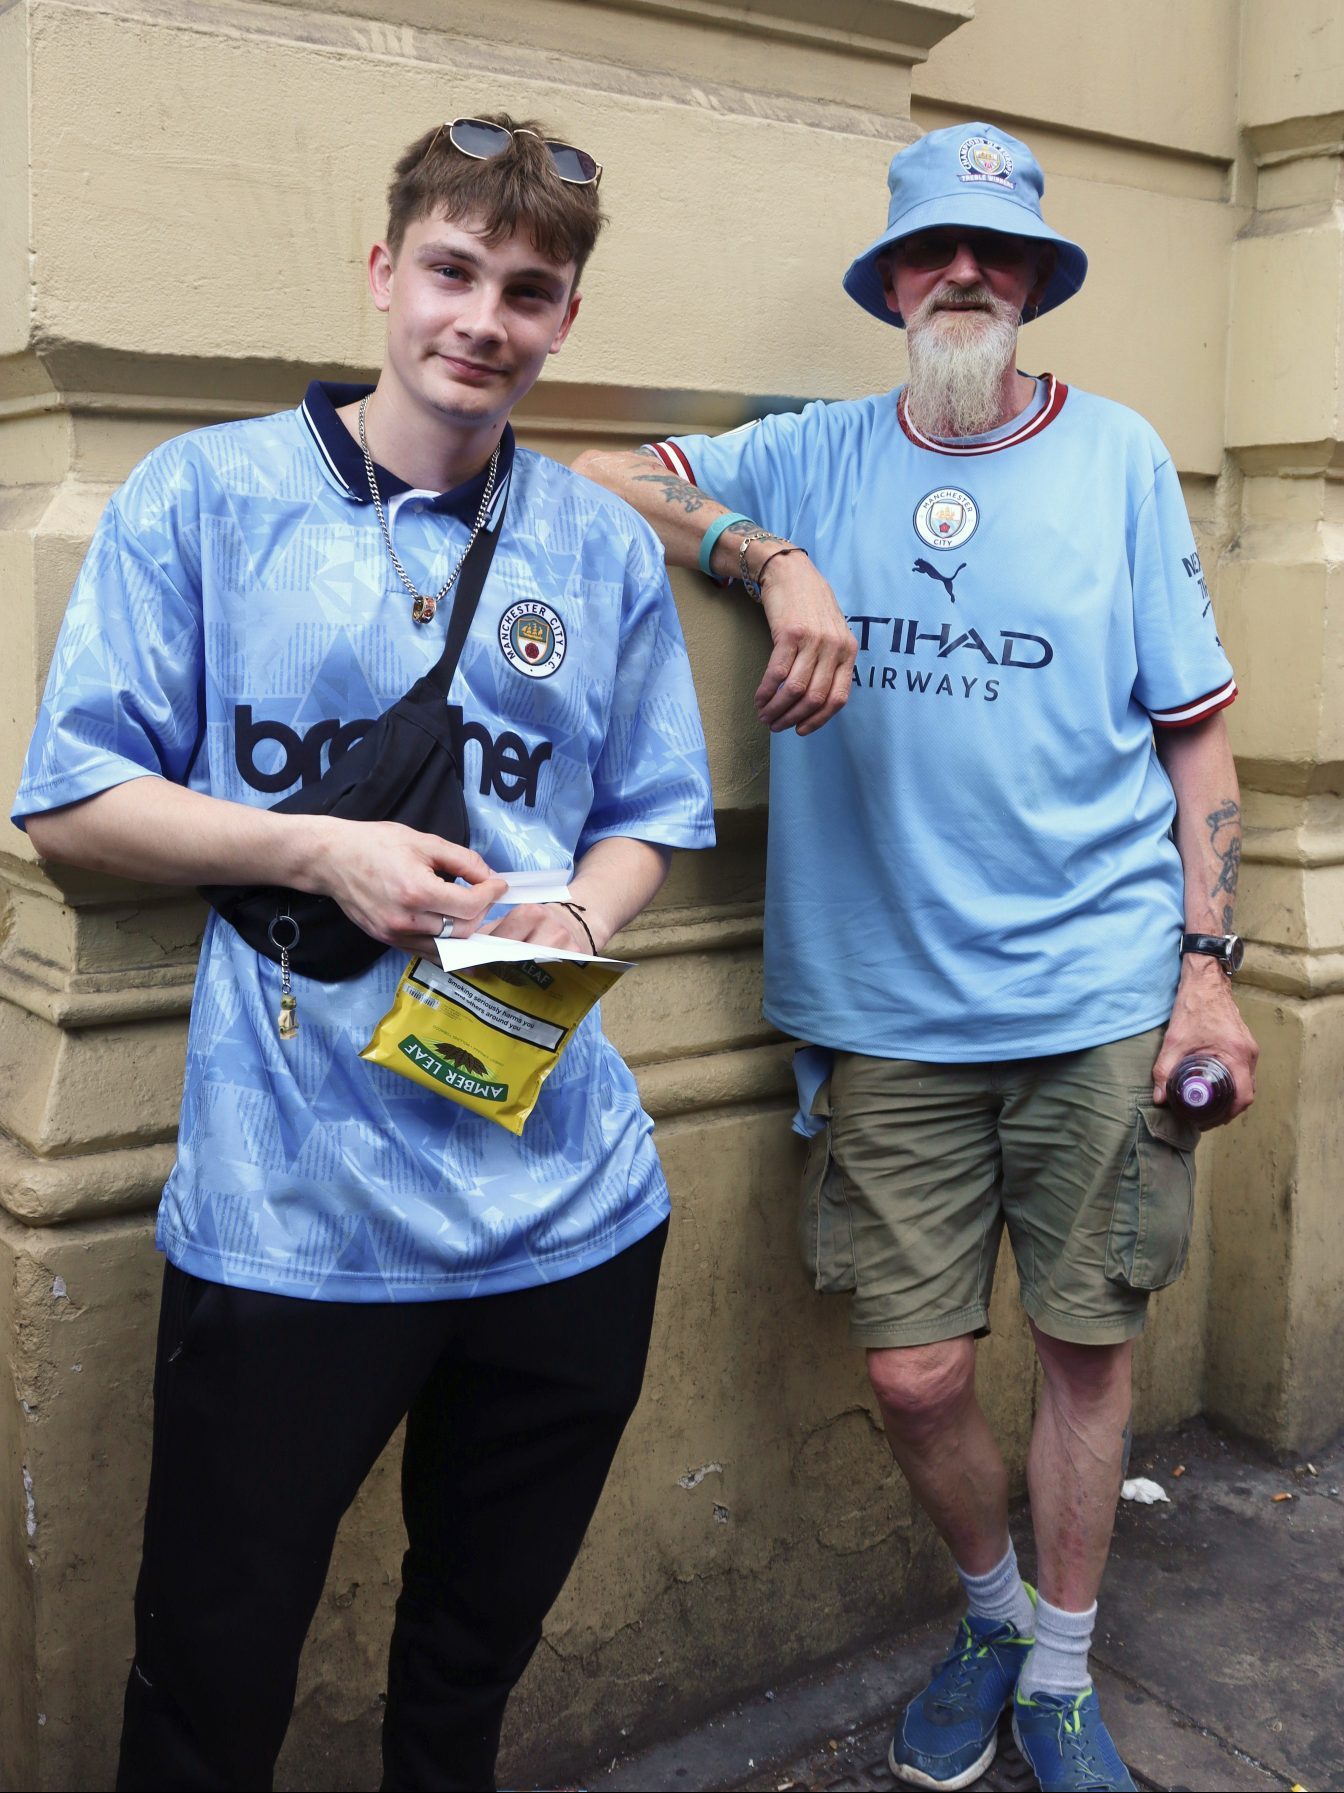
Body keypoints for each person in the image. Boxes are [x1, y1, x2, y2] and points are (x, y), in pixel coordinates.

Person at [12, 114, 715, 1792]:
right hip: (289, 1225)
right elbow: (70, 802)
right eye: (455, 272)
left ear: (561, 322)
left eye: (528, 291)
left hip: (565, 1212)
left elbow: (655, 810)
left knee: (464, 1681)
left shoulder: (600, 544)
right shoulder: (207, 496)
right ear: (383, 272)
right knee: (208, 1681)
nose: (484, 317)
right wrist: (314, 846)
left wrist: (580, 912)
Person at [575, 120, 1257, 1793]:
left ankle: (1066, 1674)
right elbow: (592, 475)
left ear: (1031, 281)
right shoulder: (809, 455)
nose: (963, 273)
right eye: (932, 249)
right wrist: (766, 550)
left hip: (1100, 989)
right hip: (883, 1011)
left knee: (1087, 1344)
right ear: (890, 283)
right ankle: (989, 1609)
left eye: (996, 251)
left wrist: (1206, 965)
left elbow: (1198, 747)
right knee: (913, 1366)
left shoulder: (1115, 457)